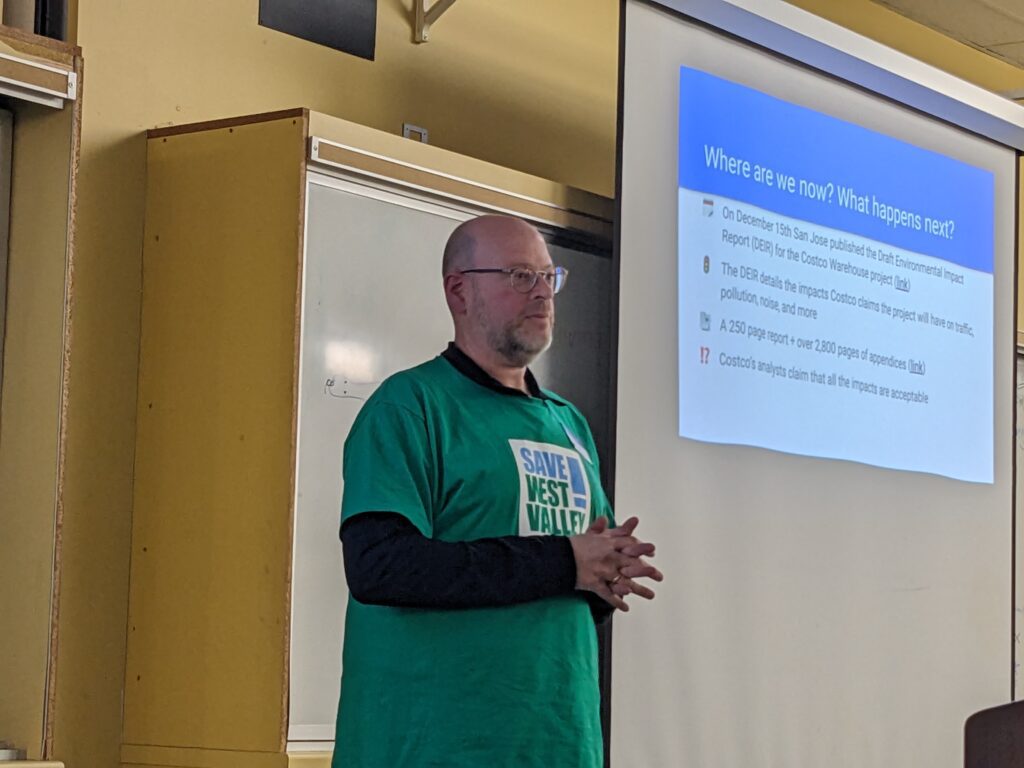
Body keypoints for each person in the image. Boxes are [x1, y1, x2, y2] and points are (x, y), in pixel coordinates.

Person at [332, 214, 662, 768]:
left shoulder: (569, 425)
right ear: (459, 290)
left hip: (557, 742)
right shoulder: (410, 407)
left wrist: (606, 572)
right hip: (435, 744)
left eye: (548, 276)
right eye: (518, 276)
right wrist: (564, 562)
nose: (541, 293)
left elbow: (576, 581)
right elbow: (380, 566)